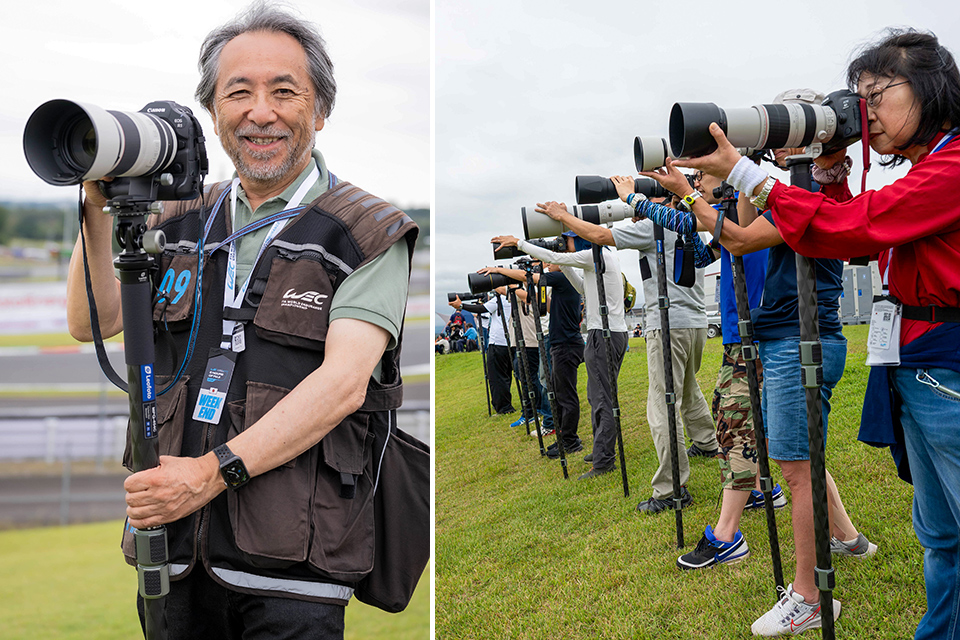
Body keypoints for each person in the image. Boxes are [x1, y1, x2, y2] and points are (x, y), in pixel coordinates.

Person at [64, 5, 421, 638]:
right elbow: (92, 320)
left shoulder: (365, 228)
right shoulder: (177, 215)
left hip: (293, 564)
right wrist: (97, 210)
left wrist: (206, 476)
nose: (262, 112)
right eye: (239, 92)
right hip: (171, 552)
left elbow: (343, 384)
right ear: (213, 111)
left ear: (320, 109)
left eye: (285, 91)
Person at [676, 31, 960, 640]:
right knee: (941, 533)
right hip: (917, 361)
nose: (866, 116)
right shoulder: (927, 169)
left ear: (930, 88)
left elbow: (853, 228)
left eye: (877, 96)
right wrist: (828, 172)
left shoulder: (954, 168)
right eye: (857, 101)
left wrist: (750, 173)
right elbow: (851, 224)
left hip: (946, 366)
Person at [644, 83, 896, 635]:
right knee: (800, 459)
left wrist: (697, 190)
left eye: (787, 126)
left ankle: (809, 594)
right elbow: (733, 233)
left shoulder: (808, 197)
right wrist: (705, 187)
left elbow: (734, 241)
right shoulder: (799, 190)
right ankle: (847, 541)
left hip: (797, 339)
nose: (776, 141)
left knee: (795, 470)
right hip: (790, 337)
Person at [537, 195, 718, 511]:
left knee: (662, 407)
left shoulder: (655, 226)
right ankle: (707, 442)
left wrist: (561, 216)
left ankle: (671, 490)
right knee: (688, 391)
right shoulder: (693, 225)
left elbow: (599, 236)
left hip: (668, 324)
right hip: (695, 322)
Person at [492, 232, 626, 480]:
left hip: (603, 334)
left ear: (584, 239)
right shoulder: (600, 259)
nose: (565, 246)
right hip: (609, 333)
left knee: (601, 398)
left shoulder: (594, 255)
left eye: (568, 241)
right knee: (595, 396)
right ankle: (601, 450)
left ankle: (604, 460)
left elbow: (552, 258)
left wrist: (521, 244)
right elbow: (579, 286)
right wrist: (561, 259)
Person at [479, 258, 585, 457]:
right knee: (559, 392)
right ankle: (565, 437)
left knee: (565, 395)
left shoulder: (563, 278)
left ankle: (570, 441)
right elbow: (546, 306)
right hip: (561, 343)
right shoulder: (563, 282)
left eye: (551, 261)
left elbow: (527, 277)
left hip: (566, 345)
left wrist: (498, 270)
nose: (547, 265)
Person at [452, 289, 515, 414]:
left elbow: (482, 309)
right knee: (506, 375)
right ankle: (505, 403)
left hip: (497, 341)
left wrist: (461, 306)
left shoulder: (500, 299)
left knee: (496, 377)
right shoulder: (516, 296)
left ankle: (503, 407)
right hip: (511, 341)